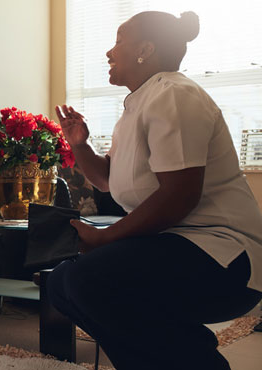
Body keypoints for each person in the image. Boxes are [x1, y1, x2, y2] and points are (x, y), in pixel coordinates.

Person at [48, 11, 262, 370]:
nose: (108, 52)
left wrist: (104, 239)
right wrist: (80, 145)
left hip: (223, 255)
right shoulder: (138, 104)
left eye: (119, 40)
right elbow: (108, 181)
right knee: (60, 285)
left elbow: (179, 195)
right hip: (173, 246)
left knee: (88, 279)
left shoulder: (175, 94)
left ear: (146, 49)